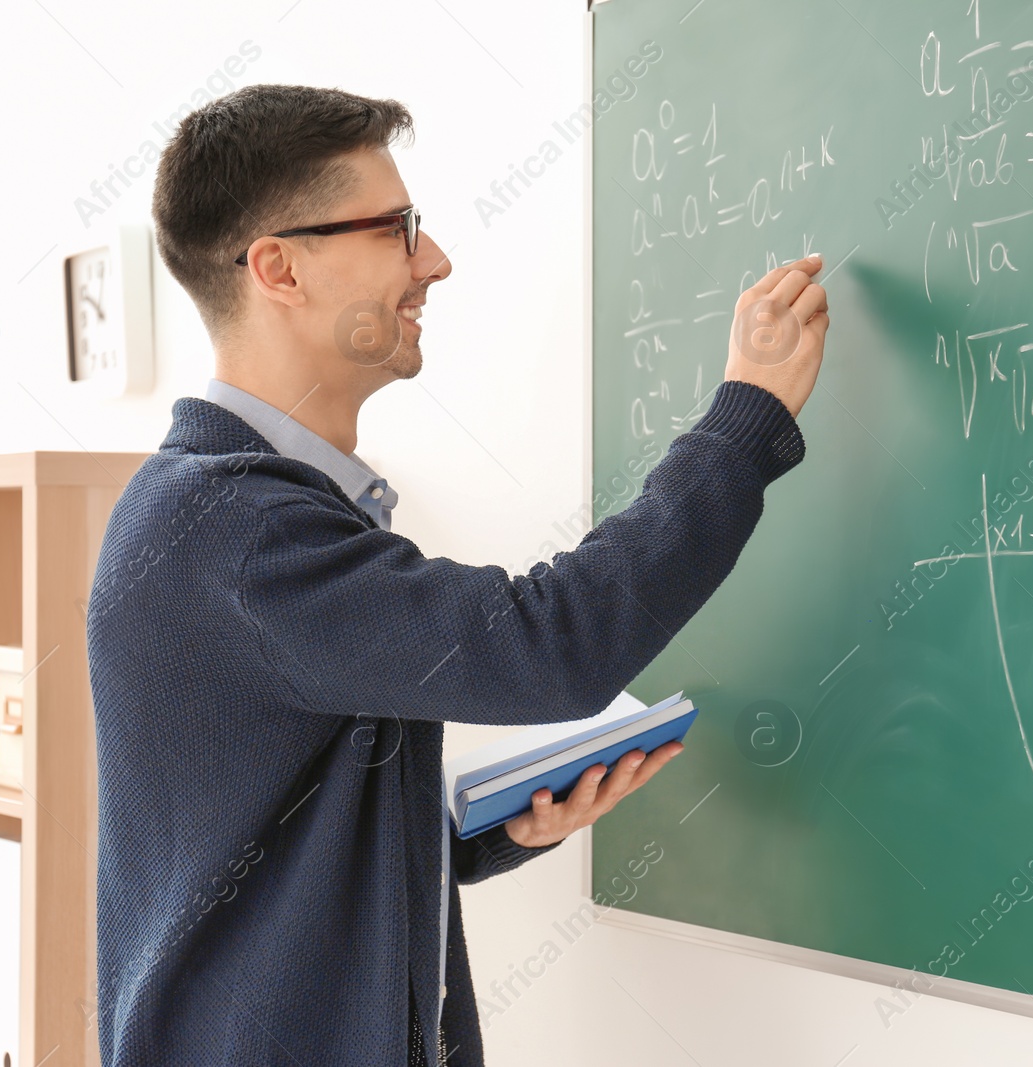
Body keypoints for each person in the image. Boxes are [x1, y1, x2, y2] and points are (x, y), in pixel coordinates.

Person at [86, 83, 829, 1067]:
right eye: (397, 228)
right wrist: (744, 421)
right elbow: (544, 645)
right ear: (278, 267)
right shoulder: (234, 526)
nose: (432, 261)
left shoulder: (234, 514)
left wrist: (486, 832)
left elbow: (261, 838)